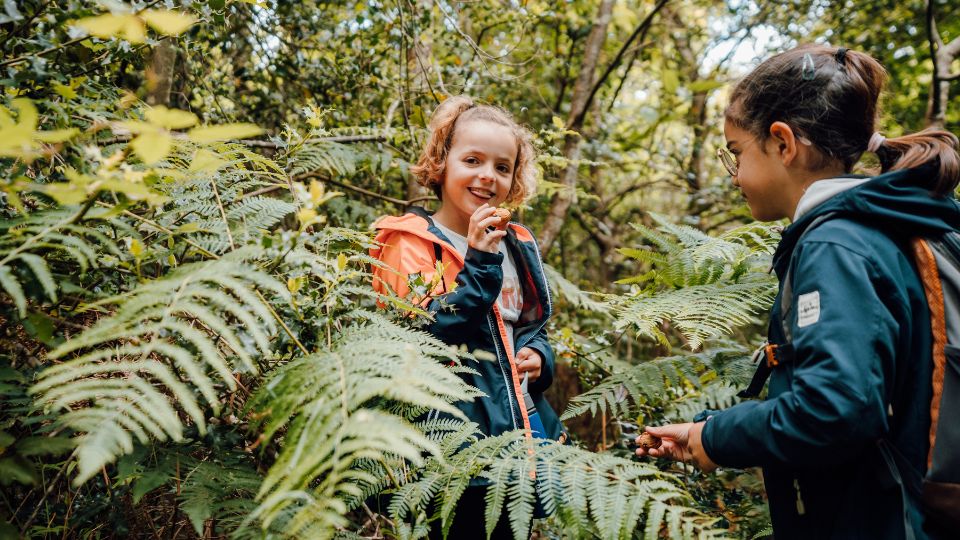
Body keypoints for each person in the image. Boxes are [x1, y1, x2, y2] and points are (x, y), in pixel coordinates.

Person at [635, 44, 959, 539]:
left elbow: (835, 410)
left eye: (737, 153)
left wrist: (717, 437)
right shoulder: (891, 225)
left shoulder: (835, 243)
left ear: (783, 143)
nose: (735, 176)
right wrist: (707, 434)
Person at [371, 96, 565, 538]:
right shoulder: (411, 244)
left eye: (502, 167)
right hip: (451, 446)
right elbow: (422, 336)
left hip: (517, 429)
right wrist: (477, 261)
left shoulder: (514, 243)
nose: (486, 176)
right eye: (472, 160)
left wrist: (539, 355)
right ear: (441, 163)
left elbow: (526, 325)